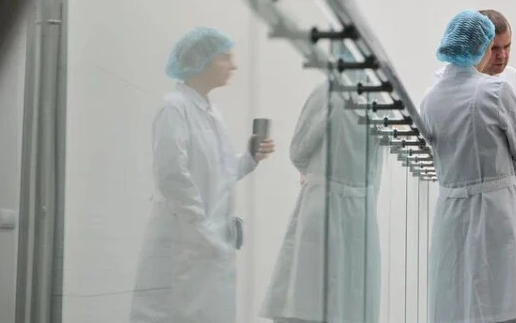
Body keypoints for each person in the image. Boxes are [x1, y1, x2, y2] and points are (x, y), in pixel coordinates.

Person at [131, 27, 276, 323]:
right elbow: (172, 176)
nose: (233, 66)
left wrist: (250, 158)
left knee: (208, 311)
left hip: (208, 243)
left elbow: (219, 174)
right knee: (171, 313)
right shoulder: (175, 108)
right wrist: (200, 226)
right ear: (201, 61)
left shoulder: (210, 112)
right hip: (185, 241)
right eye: (225, 57)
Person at [419, 10, 516, 323]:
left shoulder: (431, 98)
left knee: (460, 298)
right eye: (494, 48)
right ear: (482, 46)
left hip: (452, 209)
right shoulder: (496, 91)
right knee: (506, 299)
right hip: (497, 207)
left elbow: (434, 152)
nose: (501, 55)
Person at [260, 78, 383, 323]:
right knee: (349, 300)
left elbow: (298, 150)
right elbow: (374, 168)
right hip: (360, 213)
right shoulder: (378, 98)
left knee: (307, 298)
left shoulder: (328, 91)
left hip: (324, 204)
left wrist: (314, 170)